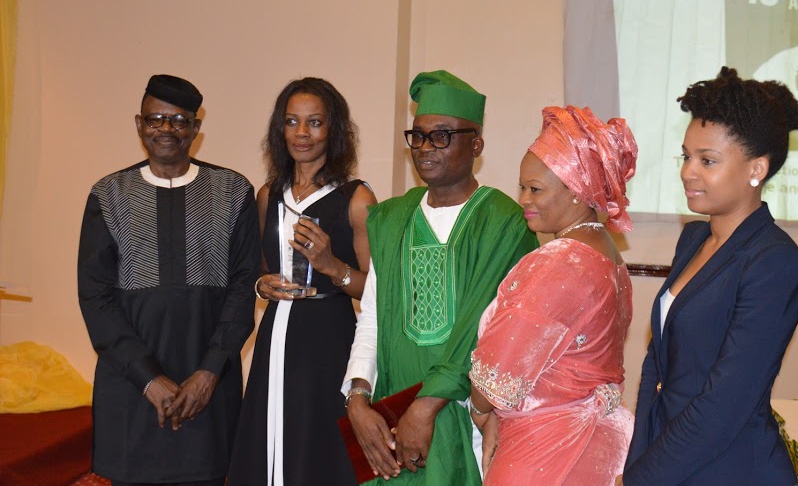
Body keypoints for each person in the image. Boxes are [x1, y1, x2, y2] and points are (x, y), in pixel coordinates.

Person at [342, 70, 539, 485]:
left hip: (467, 420)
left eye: (443, 136)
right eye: (418, 136)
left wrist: (425, 407)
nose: (426, 148)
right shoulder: (391, 220)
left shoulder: (505, 222)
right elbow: (373, 317)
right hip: (392, 418)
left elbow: (489, 334)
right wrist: (358, 398)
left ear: (477, 144)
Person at [621, 67, 798, 485]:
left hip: (732, 467)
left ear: (756, 168)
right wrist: (638, 458)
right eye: (686, 156)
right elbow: (658, 363)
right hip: (668, 459)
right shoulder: (692, 239)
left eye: (707, 160)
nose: (689, 171)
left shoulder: (776, 262)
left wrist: (643, 478)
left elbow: (726, 404)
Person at [77, 74, 260, 485]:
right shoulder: (108, 195)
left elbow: (244, 288)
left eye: (179, 121)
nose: (166, 129)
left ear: (196, 129)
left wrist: (209, 372)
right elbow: (95, 298)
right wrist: (148, 379)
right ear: (138, 124)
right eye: (155, 118)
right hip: (130, 388)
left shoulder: (233, 191)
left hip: (209, 388)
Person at [468, 105, 638, 485]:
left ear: (577, 192)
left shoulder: (558, 262)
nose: (524, 199)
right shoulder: (609, 255)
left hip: (544, 451)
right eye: (522, 186)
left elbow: (498, 372)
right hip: (596, 447)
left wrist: (481, 412)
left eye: (536, 189)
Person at [228, 78, 377, 486]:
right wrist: (262, 287)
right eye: (292, 122)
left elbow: (376, 292)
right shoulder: (268, 195)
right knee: (268, 436)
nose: (301, 133)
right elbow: (257, 270)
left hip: (328, 335)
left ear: (334, 130)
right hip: (275, 332)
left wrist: (331, 266)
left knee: (318, 446)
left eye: (314, 123)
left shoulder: (357, 199)